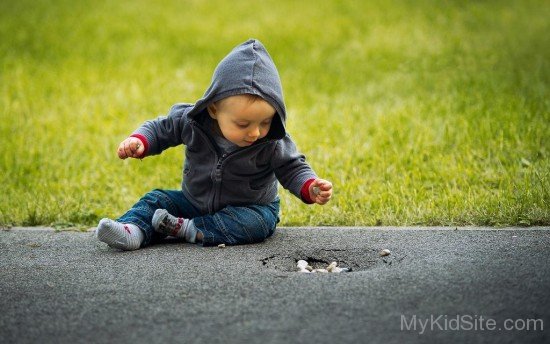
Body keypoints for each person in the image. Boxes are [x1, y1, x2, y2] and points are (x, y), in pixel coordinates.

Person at [96, 39, 333, 250]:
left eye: (266, 121)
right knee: (157, 200)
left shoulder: (271, 141)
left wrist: (309, 186)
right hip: (193, 202)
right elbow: (161, 128)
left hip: (251, 208)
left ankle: (188, 229)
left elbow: (293, 167)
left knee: (256, 225)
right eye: (242, 123)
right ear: (213, 108)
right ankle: (132, 230)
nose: (255, 132)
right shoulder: (191, 122)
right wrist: (140, 140)